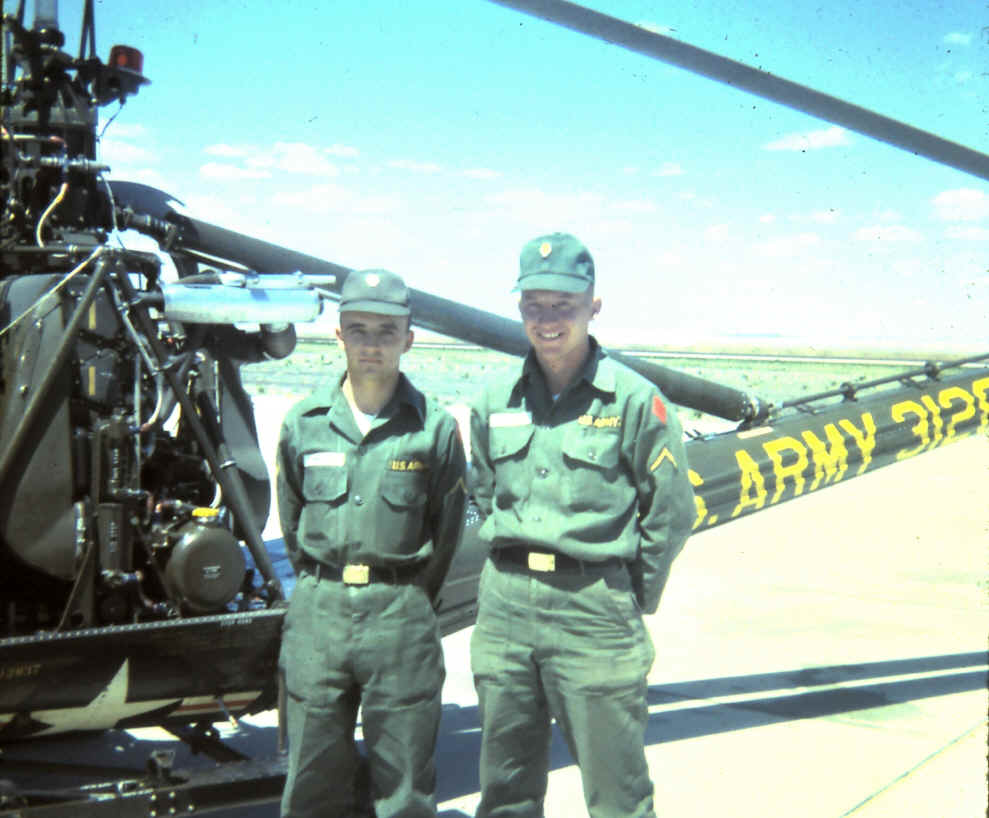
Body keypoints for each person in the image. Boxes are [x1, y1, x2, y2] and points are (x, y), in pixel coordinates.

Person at [469, 232, 696, 818]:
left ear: (594, 306)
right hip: (505, 610)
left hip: (593, 609)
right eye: (534, 305)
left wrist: (627, 593)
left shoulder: (635, 401)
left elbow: (671, 511)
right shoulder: (494, 398)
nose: (547, 320)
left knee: (617, 794)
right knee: (505, 793)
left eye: (563, 305)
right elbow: (483, 492)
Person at [276, 268, 467, 817]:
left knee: (404, 785)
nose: (372, 344)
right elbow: (292, 524)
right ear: (339, 335)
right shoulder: (304, 423)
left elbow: (447, 529)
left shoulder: (433, 428)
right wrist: (324, 585)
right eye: (358, 330)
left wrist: (407, 594)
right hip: (320, 615)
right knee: (312, 781)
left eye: (387, 331)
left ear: (409, 339)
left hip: (400, 617)